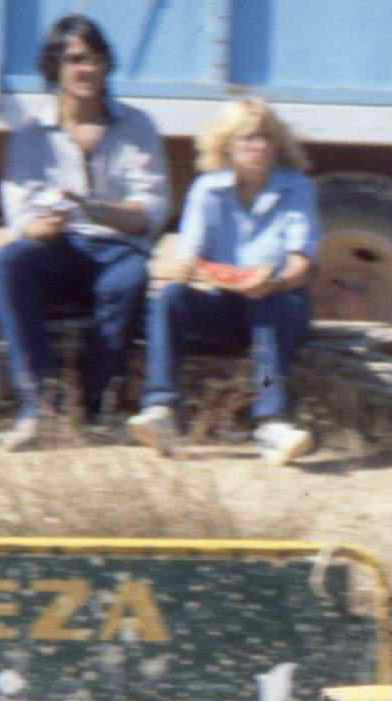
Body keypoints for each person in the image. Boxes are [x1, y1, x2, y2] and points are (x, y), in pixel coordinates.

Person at [0, 15, 169, 453]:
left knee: (129, 279)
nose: (85, 69)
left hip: (116, 247)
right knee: (9, 262)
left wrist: (102, 211)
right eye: (73, 60)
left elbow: (152, 211)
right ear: (55, 67)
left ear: (107, 65)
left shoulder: (138, 126)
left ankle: (92, 409)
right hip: (58, 246)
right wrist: (40, 227)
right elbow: (18, 214)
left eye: (93, 59)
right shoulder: (31, 134)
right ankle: (37, 407)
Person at [127, 98, 318, 466]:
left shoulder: (297, 188)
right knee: (170, 298)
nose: (257, 146)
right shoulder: (207, 190)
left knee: (268, 312)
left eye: (265, 137)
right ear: (227, 144)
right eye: (247, 138)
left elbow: (302, 264)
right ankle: (160, 407)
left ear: (278, 145)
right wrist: (189, 275)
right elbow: (188, 258)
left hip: (279, 302)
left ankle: (270, 420)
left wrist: (275, 281)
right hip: (226, 303)